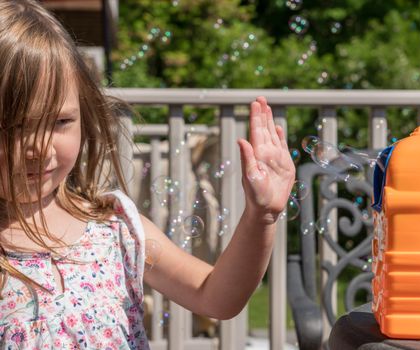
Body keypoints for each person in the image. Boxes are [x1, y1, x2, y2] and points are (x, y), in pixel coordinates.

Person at [0, 0, 295, 348]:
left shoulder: (116, 227)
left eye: (61, 122)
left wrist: (262, 216)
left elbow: (216, 296)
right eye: (14, 126)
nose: (40, 148)